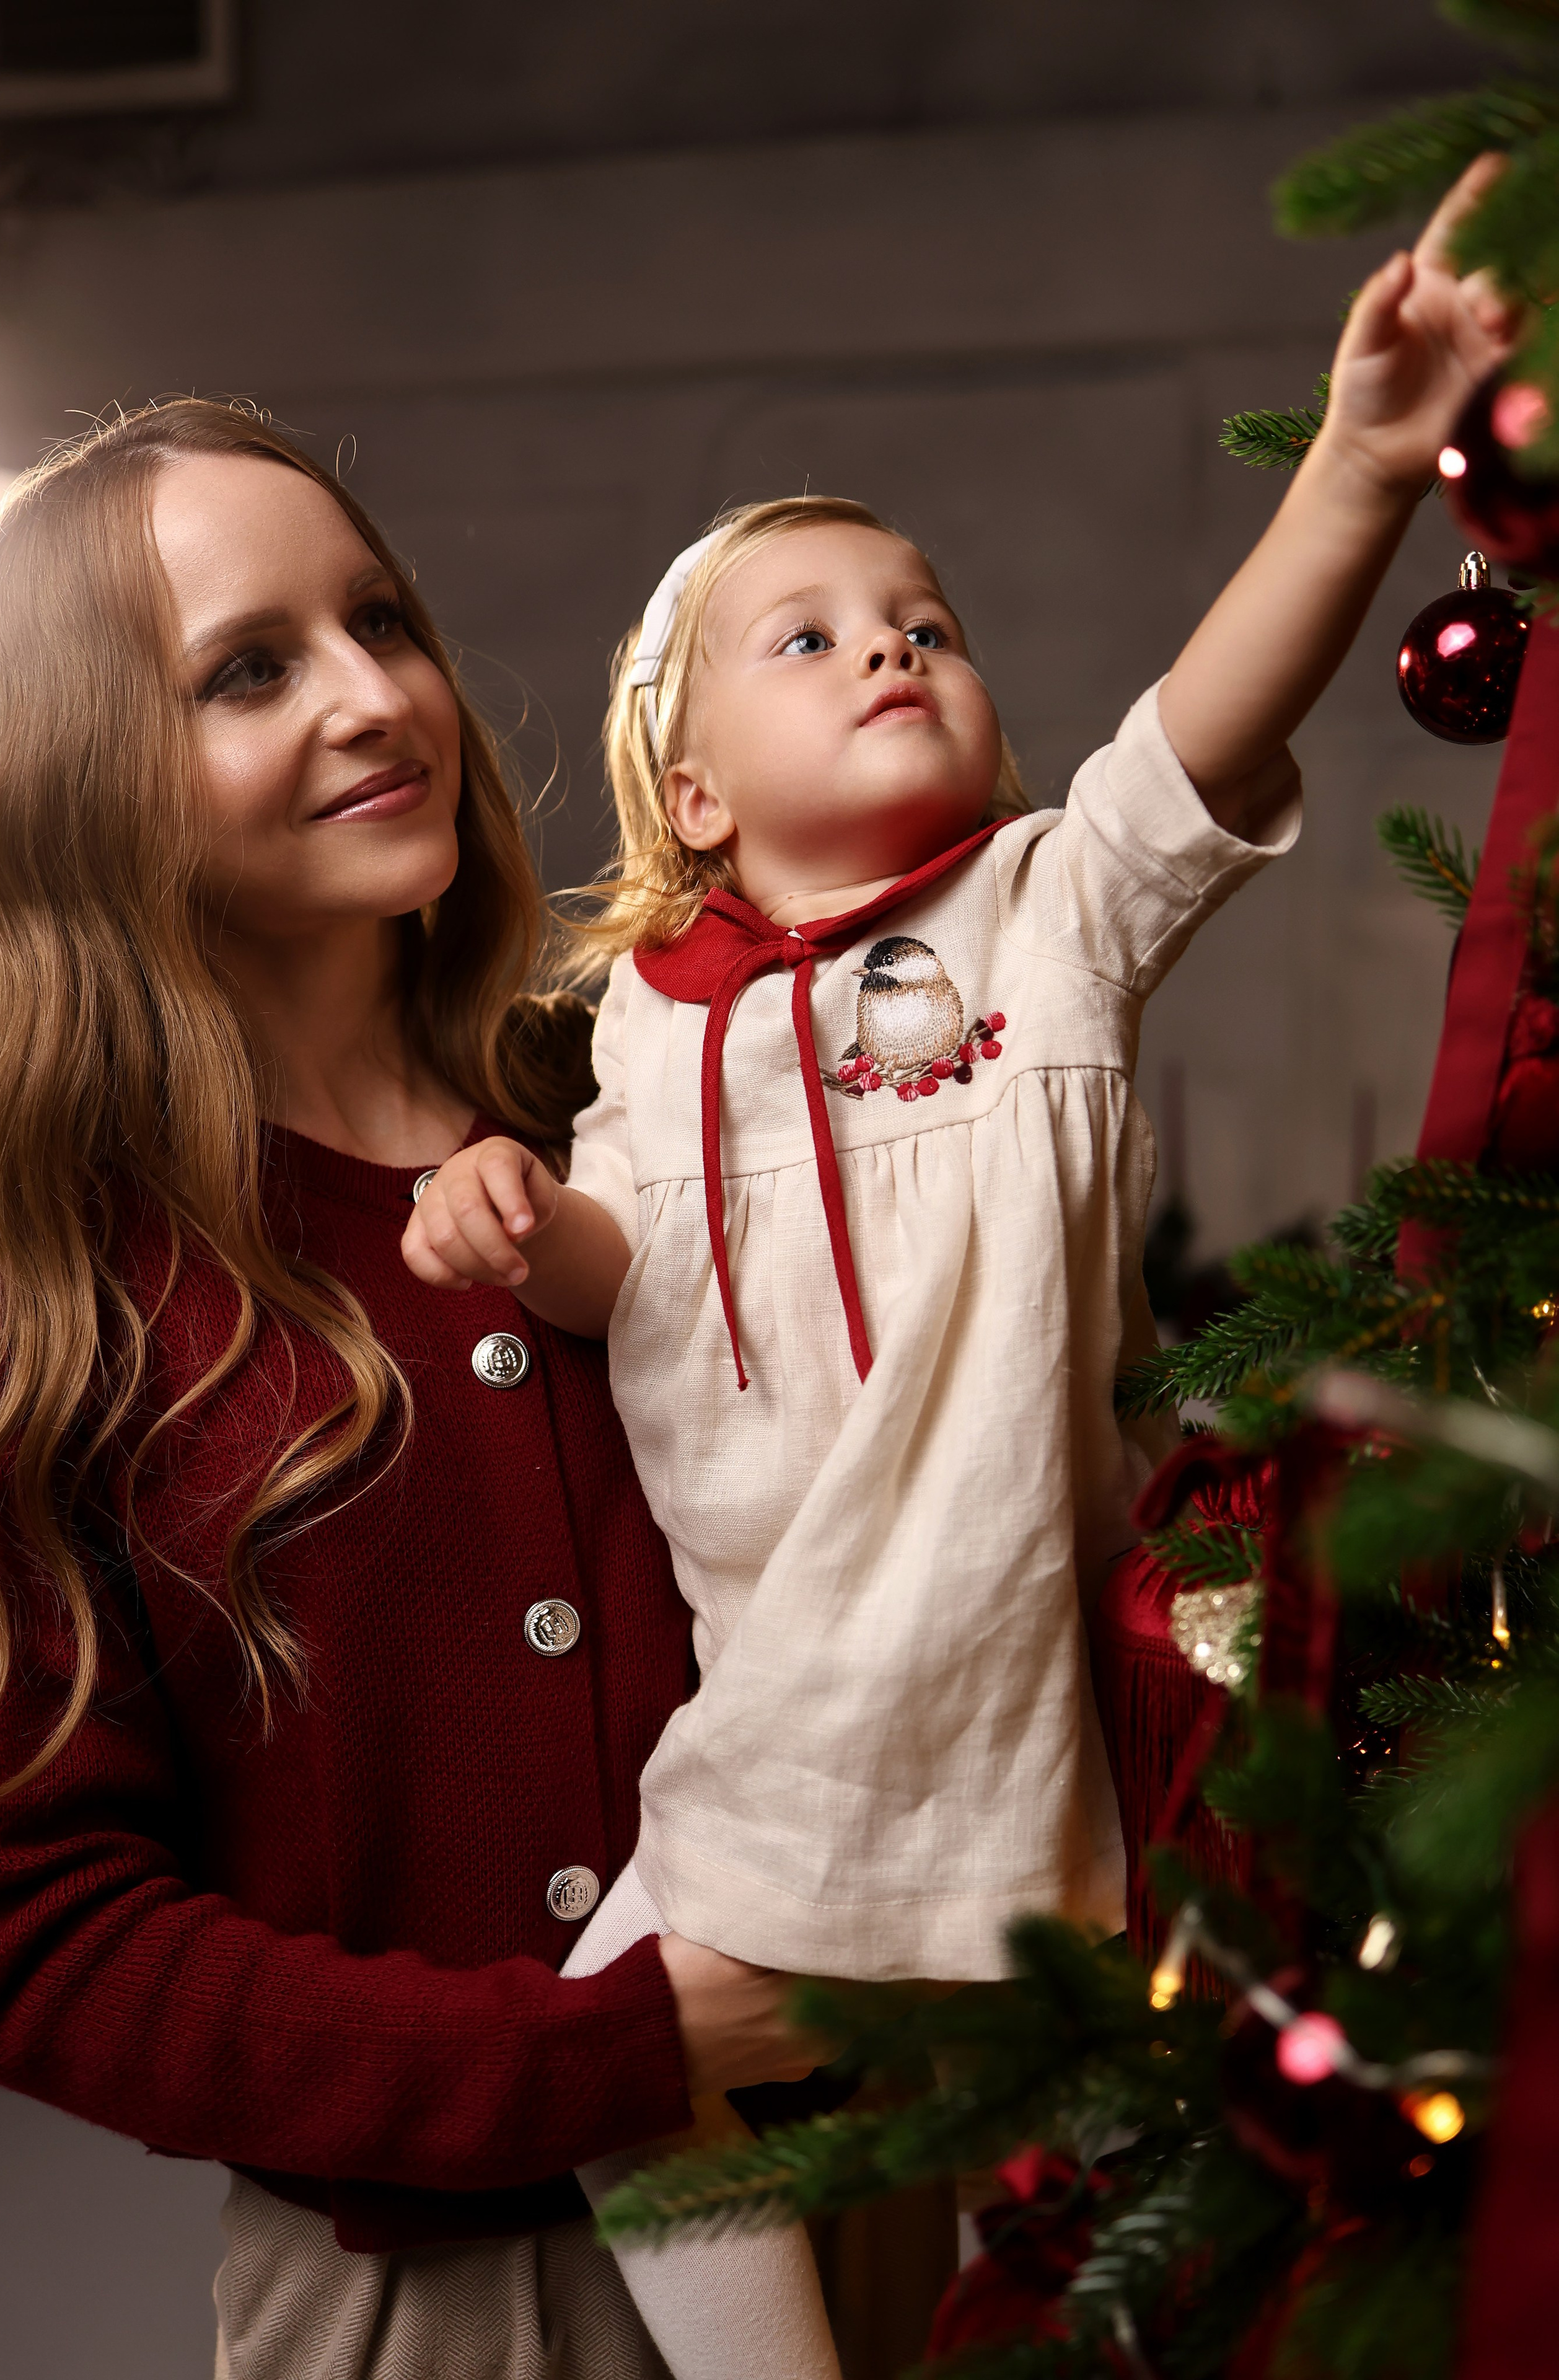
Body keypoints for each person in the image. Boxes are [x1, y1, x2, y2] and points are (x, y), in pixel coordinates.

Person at [401, 157, 1523, 2378]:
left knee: (1140, 2174)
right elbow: (638, 1272)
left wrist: (1368, 461)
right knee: (632, 2088)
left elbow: (1207, 719)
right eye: (808, 636)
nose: (893, 641)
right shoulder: (645, 1023)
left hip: (1012, 1701)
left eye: (925, 616)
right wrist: (520, 1231)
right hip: (789, 1715)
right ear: (695, 795)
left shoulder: (1045, 915)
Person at [0, 398, 831, 2380]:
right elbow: (32, 1937)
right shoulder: (66, 1288)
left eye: (381, 620)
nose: (377, 697)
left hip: (892, 2180)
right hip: (465, 2300)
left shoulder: (646, 1112)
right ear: (80, 777)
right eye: (250, 670)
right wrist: (617, 2054)